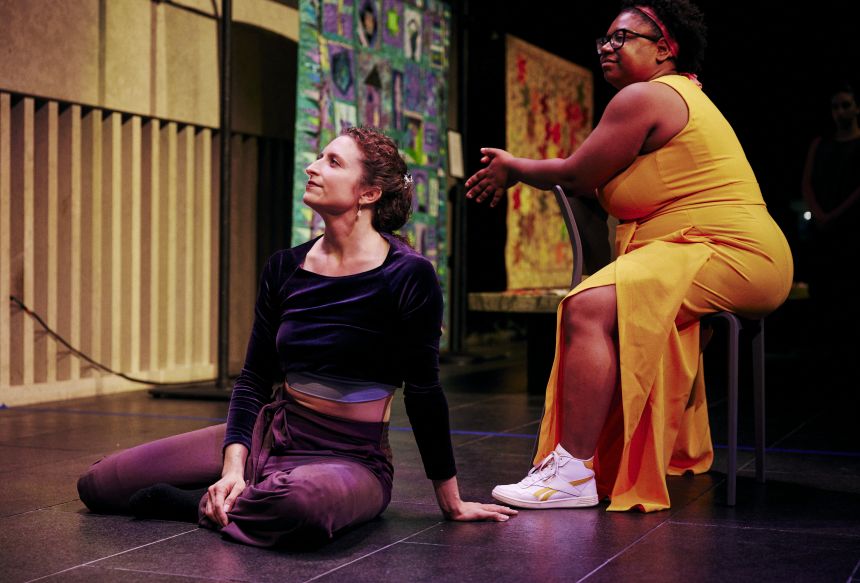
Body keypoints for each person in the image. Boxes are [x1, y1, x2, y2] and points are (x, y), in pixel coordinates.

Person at [77, 126, 516, 547]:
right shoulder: (285, 267)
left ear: (368, 193)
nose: (312, 166)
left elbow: (423, 392)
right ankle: (240, 491)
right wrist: (234, 466)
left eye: (332, 161)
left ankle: (198, 505)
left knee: (302, 505)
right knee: (98, 485)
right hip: (275, 431)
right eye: (318, 156)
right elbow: (253, 377)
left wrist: (451, 501)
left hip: (350, 458)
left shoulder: (408, 274)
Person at [465, 0, 793, 512]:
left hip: (729, 249)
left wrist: (513, 166)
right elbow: (595, 185)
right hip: (720, 248)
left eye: (622, 38)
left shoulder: (648, 96)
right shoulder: (672, 99)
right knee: (606, 306)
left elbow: (575, 174)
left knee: (586, 306)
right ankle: (606, 460)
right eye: (604, 40)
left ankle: (571, 472)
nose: (606, 48)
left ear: (665, 48)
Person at [801, 83, 860, 366]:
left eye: (846, 105)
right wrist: (819, 214)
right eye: (836, 107)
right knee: (820, 290)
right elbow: (807, 182)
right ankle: (821, 354)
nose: (840, 112)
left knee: (847, 289)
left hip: (849, 231)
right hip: (822, 231)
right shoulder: (820, 144)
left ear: (857, 108)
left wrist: (835, 215)